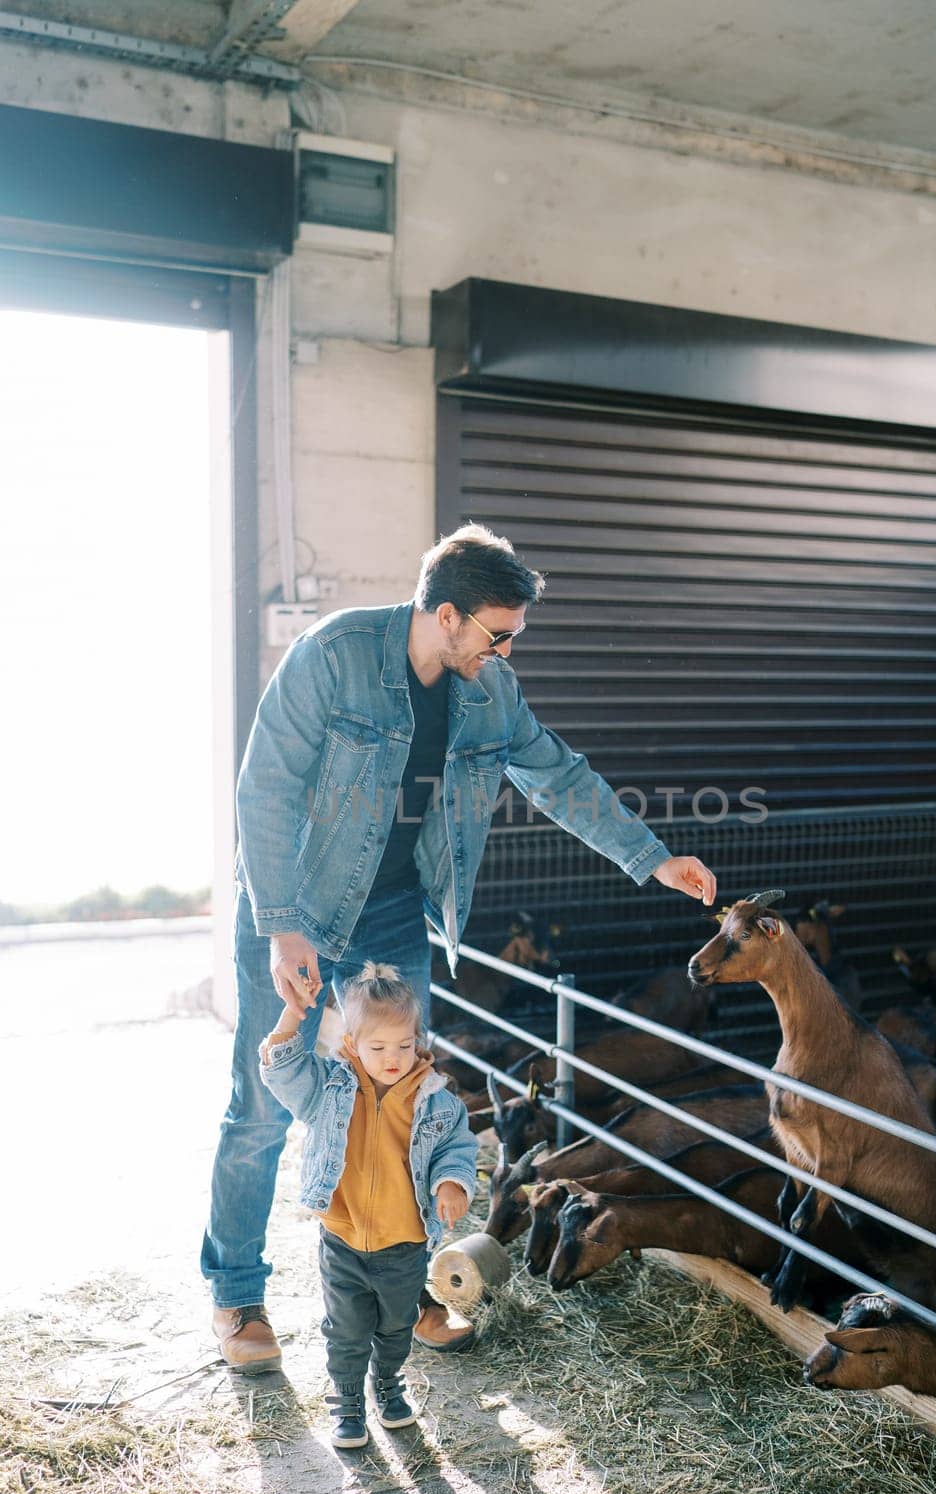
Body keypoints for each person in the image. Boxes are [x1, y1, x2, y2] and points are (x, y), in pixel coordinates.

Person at [202, 523, 718, 1371]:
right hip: (299, 908)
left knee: (403, 1110)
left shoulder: (490, 692)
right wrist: (279, 923)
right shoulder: (333, 657)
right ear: (445, 615)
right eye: (498, 632)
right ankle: (235, 1295)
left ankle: (406, 1295)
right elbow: (263, 789)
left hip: (398, 916)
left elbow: (559, 775)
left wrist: (652, 856)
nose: (508, 649)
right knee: (263, 1108)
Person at [258, 960, 477, 1447]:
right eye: (378, 1047)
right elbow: (280, 1067)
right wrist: (293, 1015)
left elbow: (457, 1149)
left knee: (398, 1324)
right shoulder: (329, 1088)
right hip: (343, 1236)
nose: (393, 1056)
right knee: (347, 1327)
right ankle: (348, 1401)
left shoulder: (435, 1101)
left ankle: (388, 1384)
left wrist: (452, 1184)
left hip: (404, 1242)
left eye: (404, 1044)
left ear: (417, 1040)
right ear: (354, 1044)